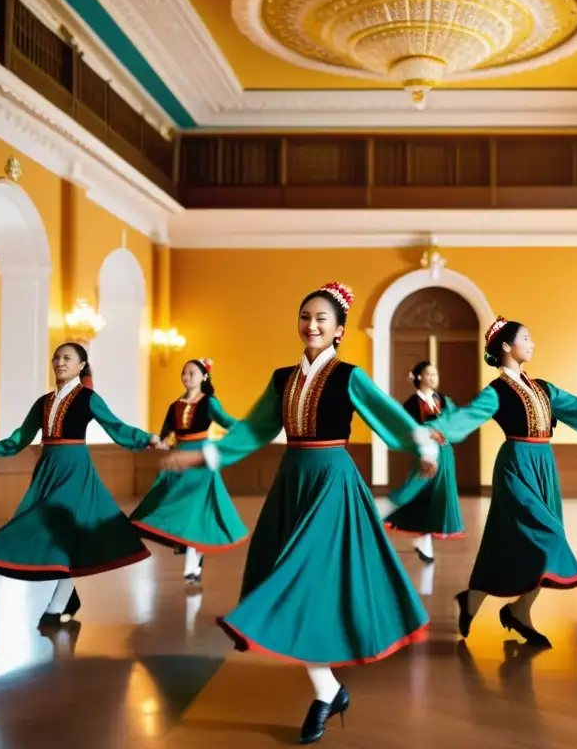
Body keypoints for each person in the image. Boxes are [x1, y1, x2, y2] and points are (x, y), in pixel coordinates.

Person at [160, 282, 438, 745]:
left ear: (339, 331)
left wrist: (421, 446)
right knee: (293, 578)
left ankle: (325, 688)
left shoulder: (350, 376)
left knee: (303, 575)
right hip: (293, 481)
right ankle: (328, 690)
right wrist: (201, 455)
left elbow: (390, 416)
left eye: (321, 319)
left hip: (333, 482)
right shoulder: (280, 379)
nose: (311, 325)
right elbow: (251, 431)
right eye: (305, 316)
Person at [427, 317, 577, 649]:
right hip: (515, 465)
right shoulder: (497, 391)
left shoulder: (543, 387)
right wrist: (437, 430)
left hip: (544, 465)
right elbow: (468, 415)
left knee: (506, 543)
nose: (533, 343)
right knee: (545, 536)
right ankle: (487, 603)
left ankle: (513, 609)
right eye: (527, 337)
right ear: (507, 347)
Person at [0, 342, 162, 627]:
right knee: (38, 524)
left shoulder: (88, 397)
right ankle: (61, 594)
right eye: (56, 357)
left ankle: (57, 606)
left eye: (67, 358)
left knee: (67, 533)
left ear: (81, 365)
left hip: (75, 470)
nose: (59, 362)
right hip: (48, 468)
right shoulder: (43, 402)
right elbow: (22, 436)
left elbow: (116, 427)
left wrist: (148, 439)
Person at [130, 358, 248, 583]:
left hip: (200, 460)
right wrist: (158, 443)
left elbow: (228, 422)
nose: (187, 376)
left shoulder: (209, 402)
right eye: (184, 372)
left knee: (195, 510)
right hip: (178, 459)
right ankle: (187, 550)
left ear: (204, 377)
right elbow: (165, 434)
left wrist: (244, 433)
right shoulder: (174, 405)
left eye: (192, 372)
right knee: (172, 506)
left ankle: (192, 566)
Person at [385, 360, 465, 562]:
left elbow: (455, 422)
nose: (433, 378)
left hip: (445, 454)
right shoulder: (412, 403)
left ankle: (424, 541)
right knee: (419, 492)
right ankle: (384, 515)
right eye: (429, 374)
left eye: (435, 374)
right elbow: (408, 430)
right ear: (419, 377)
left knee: (437, 496)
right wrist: (428, 435)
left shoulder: (443, 400)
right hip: (427, 456)